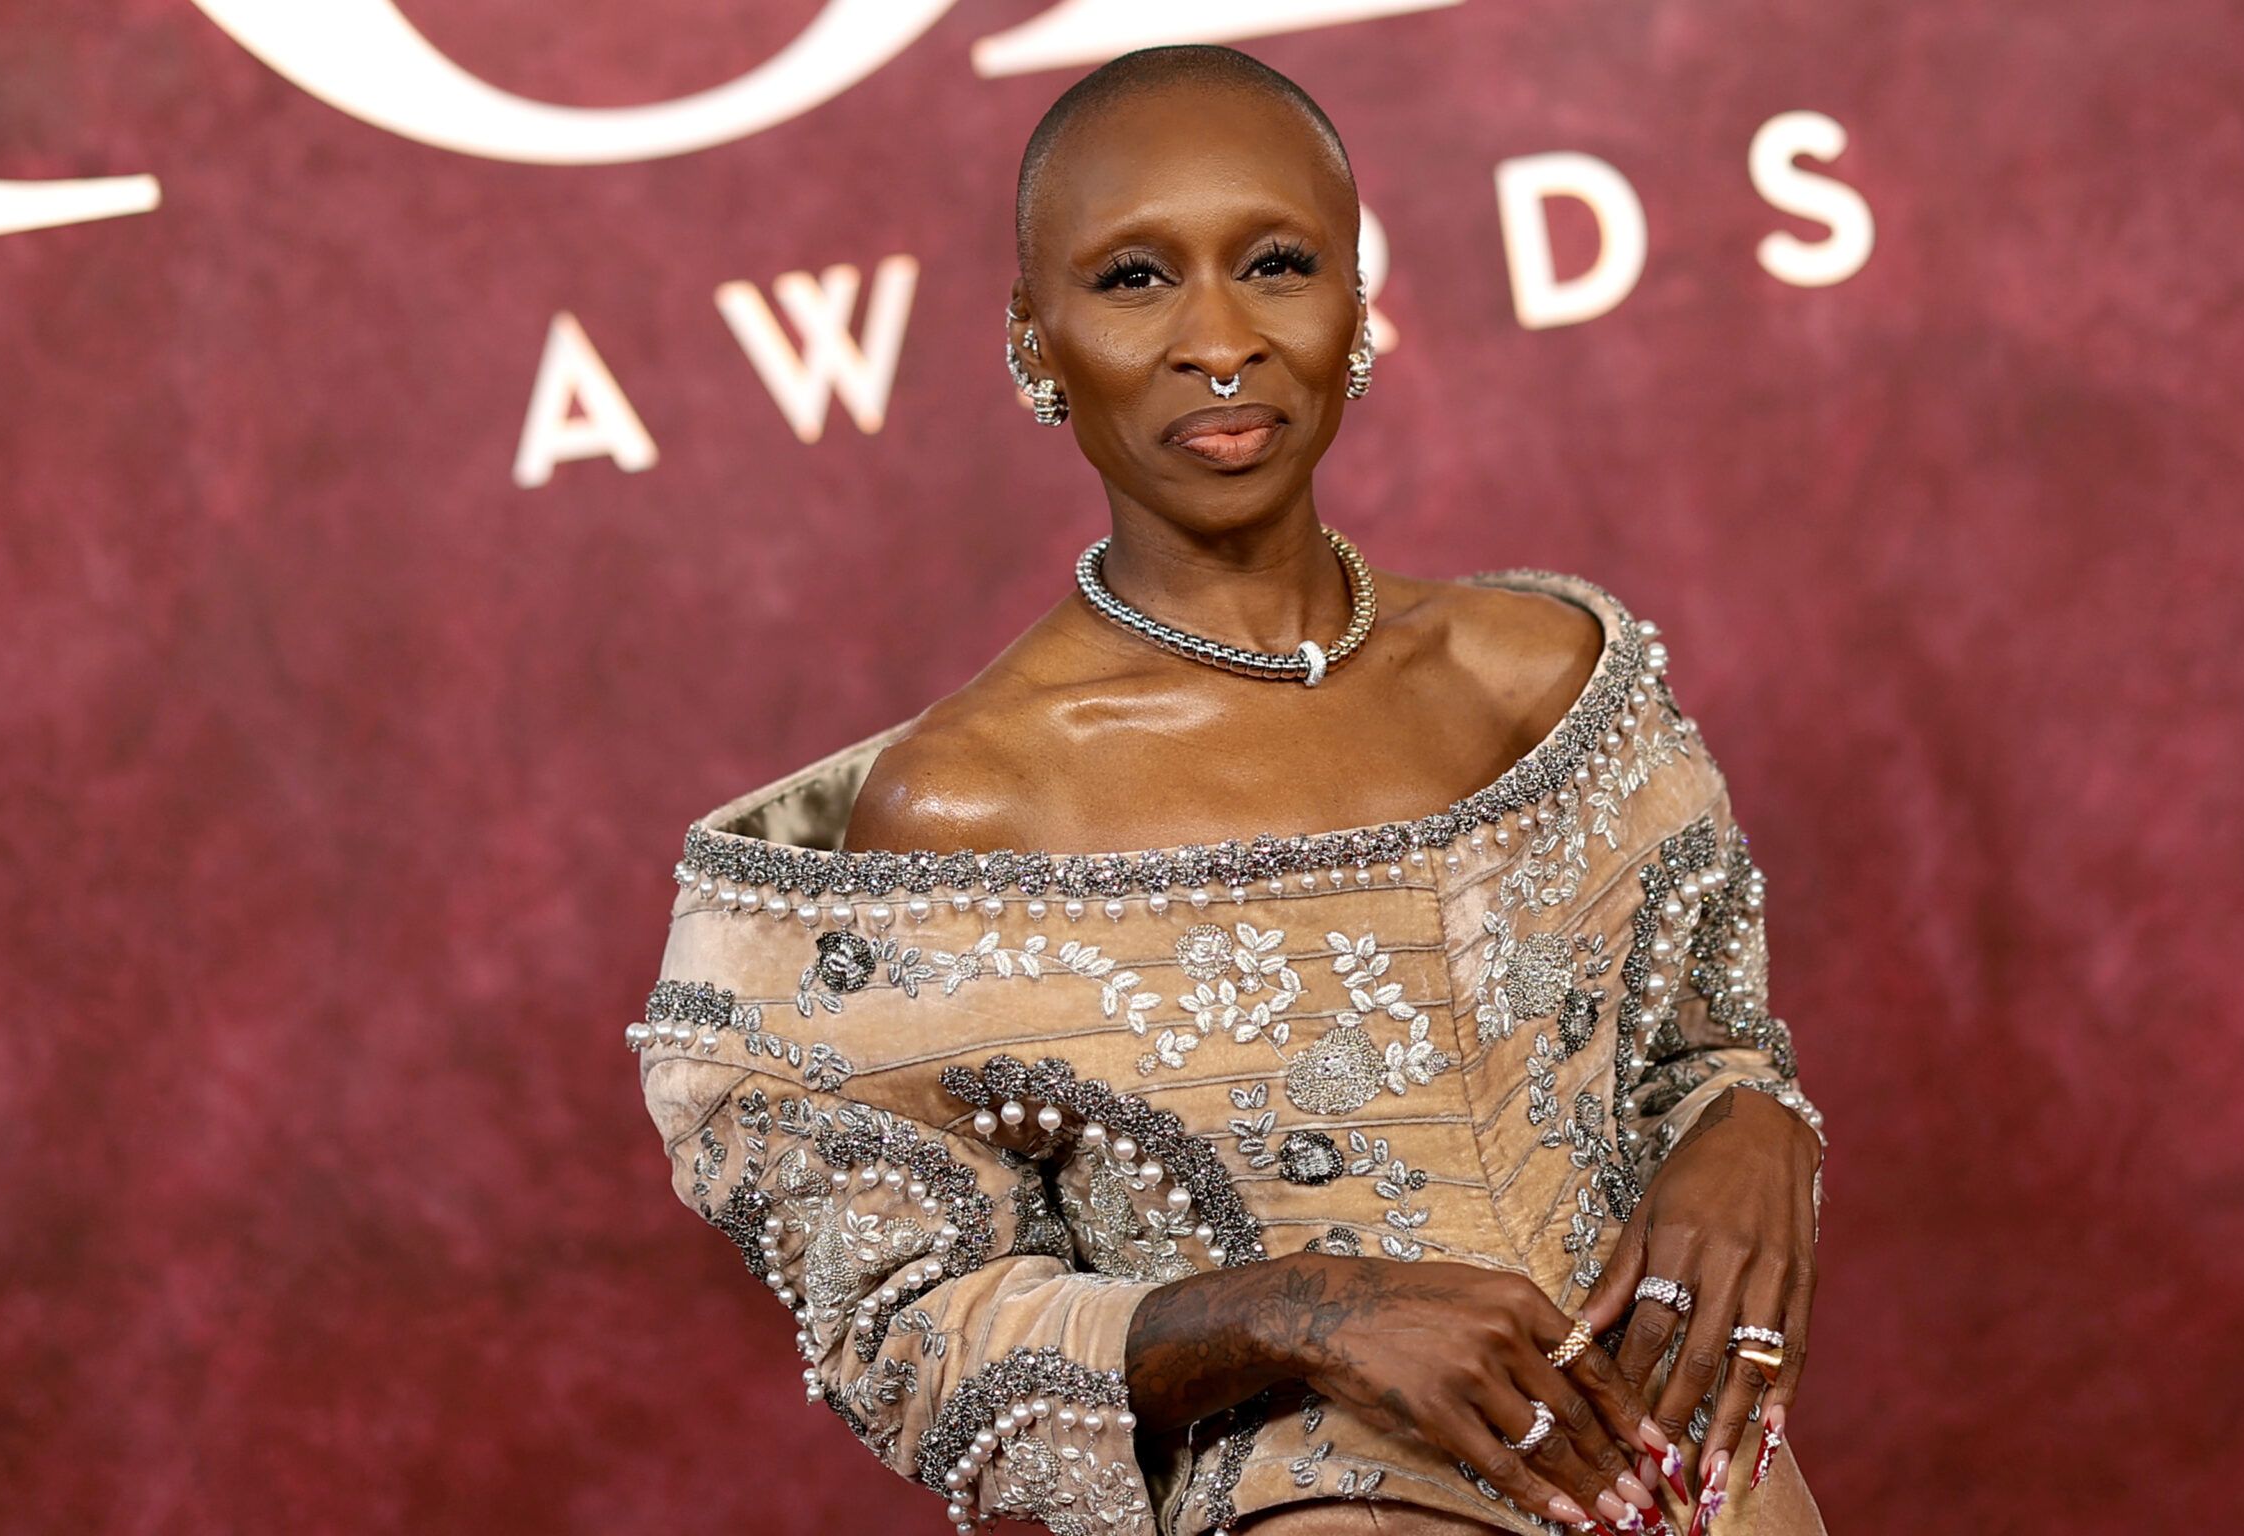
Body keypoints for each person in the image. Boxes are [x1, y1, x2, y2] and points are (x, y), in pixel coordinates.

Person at [630, 43, 1828, 1536]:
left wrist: (1755, 1132)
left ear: (1356, 302)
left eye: (1275, 261)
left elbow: (1706, 1052)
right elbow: (910, 1337)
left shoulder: (1547, 678)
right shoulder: (967, 809)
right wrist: (1299, 1308)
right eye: (1135, 279)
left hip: (1712, 1494)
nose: (1221, 338)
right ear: (1034, 337)